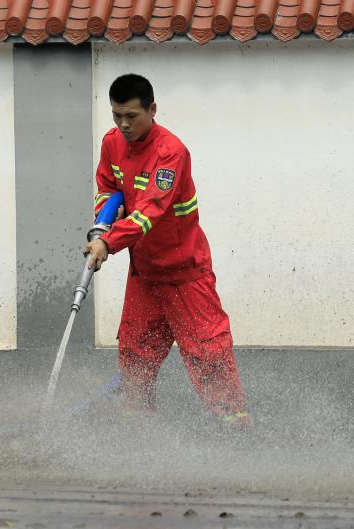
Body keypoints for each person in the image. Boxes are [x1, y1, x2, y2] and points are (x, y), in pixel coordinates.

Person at [82, 74, 250, 428]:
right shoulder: (112, 143)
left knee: (208, 349)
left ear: (152, 110)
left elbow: (150, 211)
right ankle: (137, 418)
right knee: (135, 348)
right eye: (117, 116)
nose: (124, 125)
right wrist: (105, 217)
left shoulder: (170, 152)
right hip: (145, 271)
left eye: (132, 116)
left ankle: (234, 421)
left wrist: (108, 242)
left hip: (185, 270)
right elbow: (107, 186)